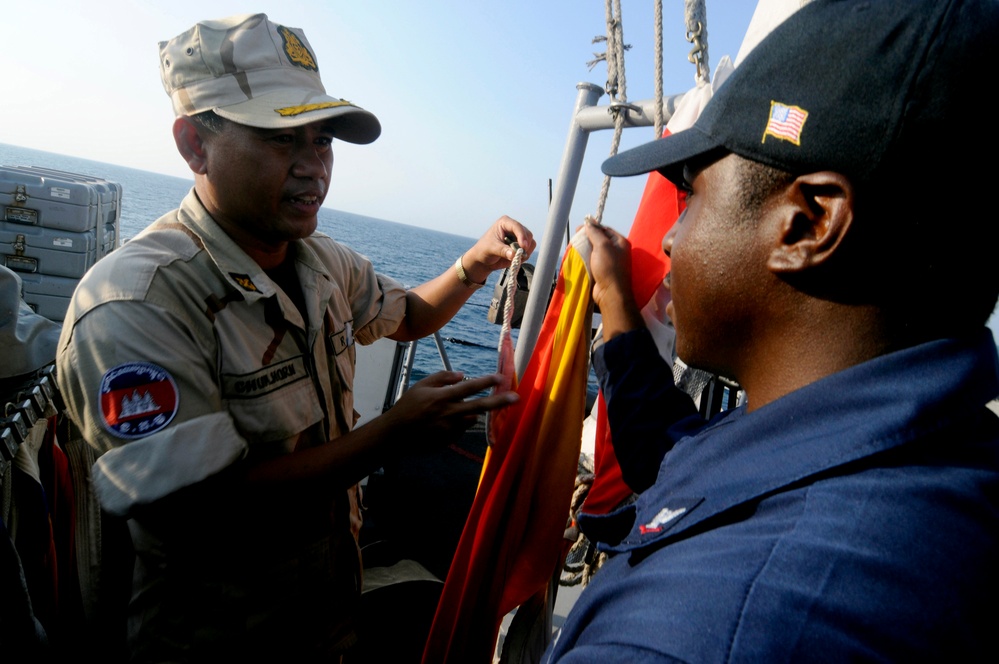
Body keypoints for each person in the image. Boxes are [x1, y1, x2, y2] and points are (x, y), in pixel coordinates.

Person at [54, 13, 534, 662]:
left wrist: (472, 264)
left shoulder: (322, 262)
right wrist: (392, 433)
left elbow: (409, 316)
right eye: (283, 142)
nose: (315, 169)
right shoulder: (135, 302)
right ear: (194, 144)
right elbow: (199, 516)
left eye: (322, 140)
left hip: (324, 621)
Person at [546, 0, 999, 661]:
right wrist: (617, 300)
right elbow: (676, 455)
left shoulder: (700, 630)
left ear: (808, 223)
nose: (669, 238)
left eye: (692, 194)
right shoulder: (935, 467)